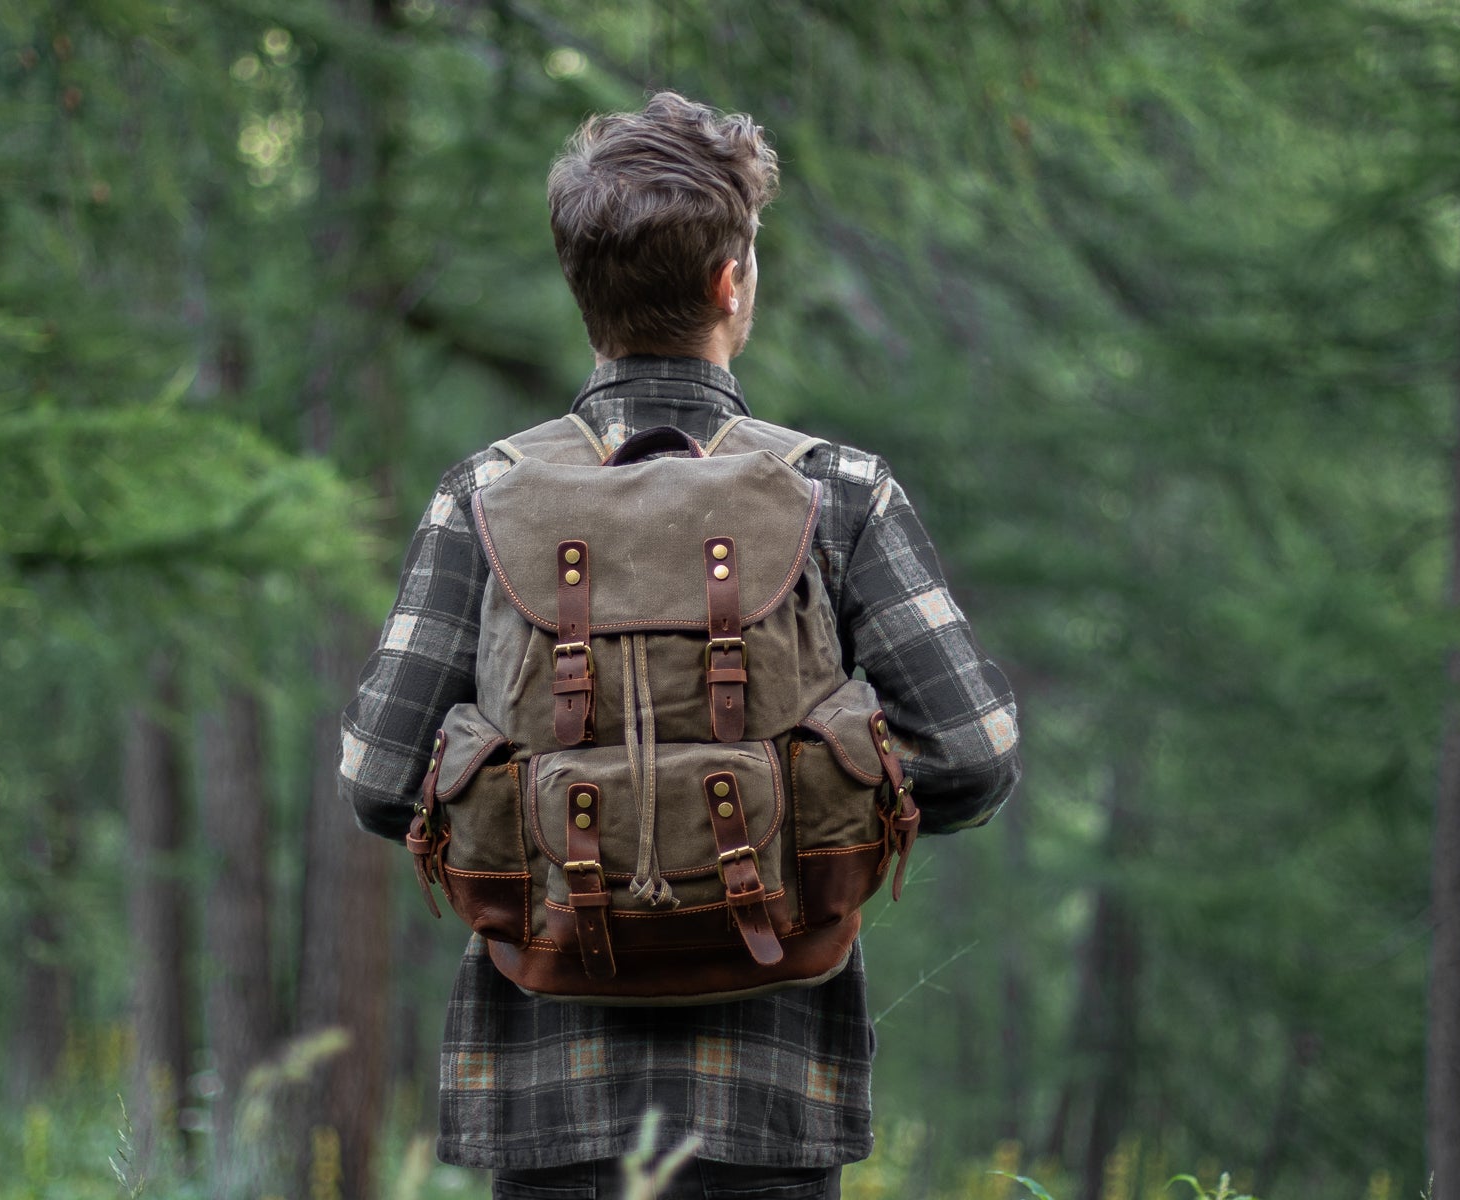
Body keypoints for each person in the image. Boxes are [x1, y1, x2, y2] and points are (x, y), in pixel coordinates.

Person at [339, 92, 1021, 1200]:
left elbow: (378, 779)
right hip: (774, 1090)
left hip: (546, 1097)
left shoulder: (482, 498)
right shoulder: (839, 492)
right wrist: (800, 804)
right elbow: (974, 755)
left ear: (583, 293)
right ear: (729, 282)